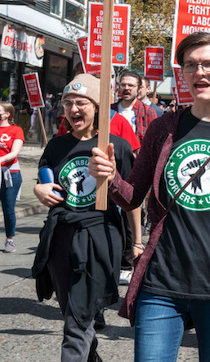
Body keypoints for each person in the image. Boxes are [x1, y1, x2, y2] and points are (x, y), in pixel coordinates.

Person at [88, 32, 210, 361]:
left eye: (208, 64)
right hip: (162, 280)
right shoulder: (163, 128)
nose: (199, 73)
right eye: (190, 65)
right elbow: (132, 196)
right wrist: (109, 177)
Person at [31, 74, 135, 361]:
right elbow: (45, 176)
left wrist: (136, 243)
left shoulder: (118, 147)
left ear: (97, 106)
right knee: (72, 313)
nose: (73, 109)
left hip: (100, 237)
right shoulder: (56, 146)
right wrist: (39, 189)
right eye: (68, 103)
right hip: (61, 237)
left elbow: (132, 198)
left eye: (81, 103)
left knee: (77, 320)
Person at [1, 101, 24, 253]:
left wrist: (2, 159)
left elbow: (14, 152)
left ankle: (9, 239)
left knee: (8, 208)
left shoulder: (16, 130)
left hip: (10, 174)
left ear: (7, 114)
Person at [112, 71, 157, 146]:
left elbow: (154, 140)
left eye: (130, 85)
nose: (126, 88)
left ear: (139, 88)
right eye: (123, 85)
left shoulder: (148, 112)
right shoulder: (110, 110)